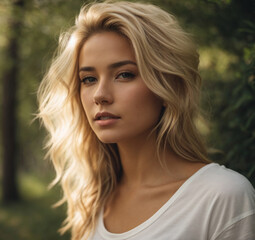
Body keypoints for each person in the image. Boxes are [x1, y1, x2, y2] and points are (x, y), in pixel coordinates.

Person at [37, 1, 255, 240]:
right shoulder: (94, 200)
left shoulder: (223, 197)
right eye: (88, 79)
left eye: (124, 75)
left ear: (167, 85)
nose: (100, 94)